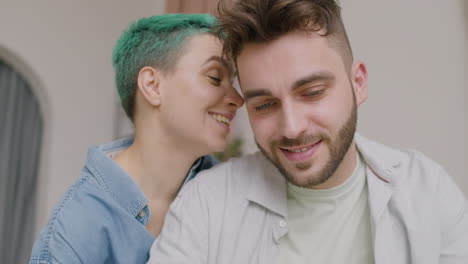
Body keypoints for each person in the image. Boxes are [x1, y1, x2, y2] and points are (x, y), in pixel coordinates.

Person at [148, 1, 468, 263]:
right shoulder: (204, 204)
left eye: (312, 92)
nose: (292, 127)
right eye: (265, 105)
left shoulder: (428, 190)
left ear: (358, 84)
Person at [29, 13, 243, 264]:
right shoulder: (72, 232)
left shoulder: (231, 193)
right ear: (152, 86)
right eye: (215, 77)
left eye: (234, 82)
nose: (238, 100)